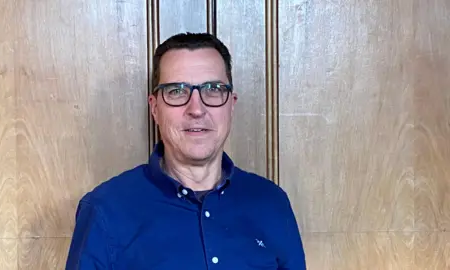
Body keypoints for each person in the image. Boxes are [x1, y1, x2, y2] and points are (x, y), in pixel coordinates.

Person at [65, 32, 306, 270]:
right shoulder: (105, 210)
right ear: (155, 108)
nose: (196, 109)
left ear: (231, 105)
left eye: (212, 89)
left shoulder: (272, 203)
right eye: (177, 91)